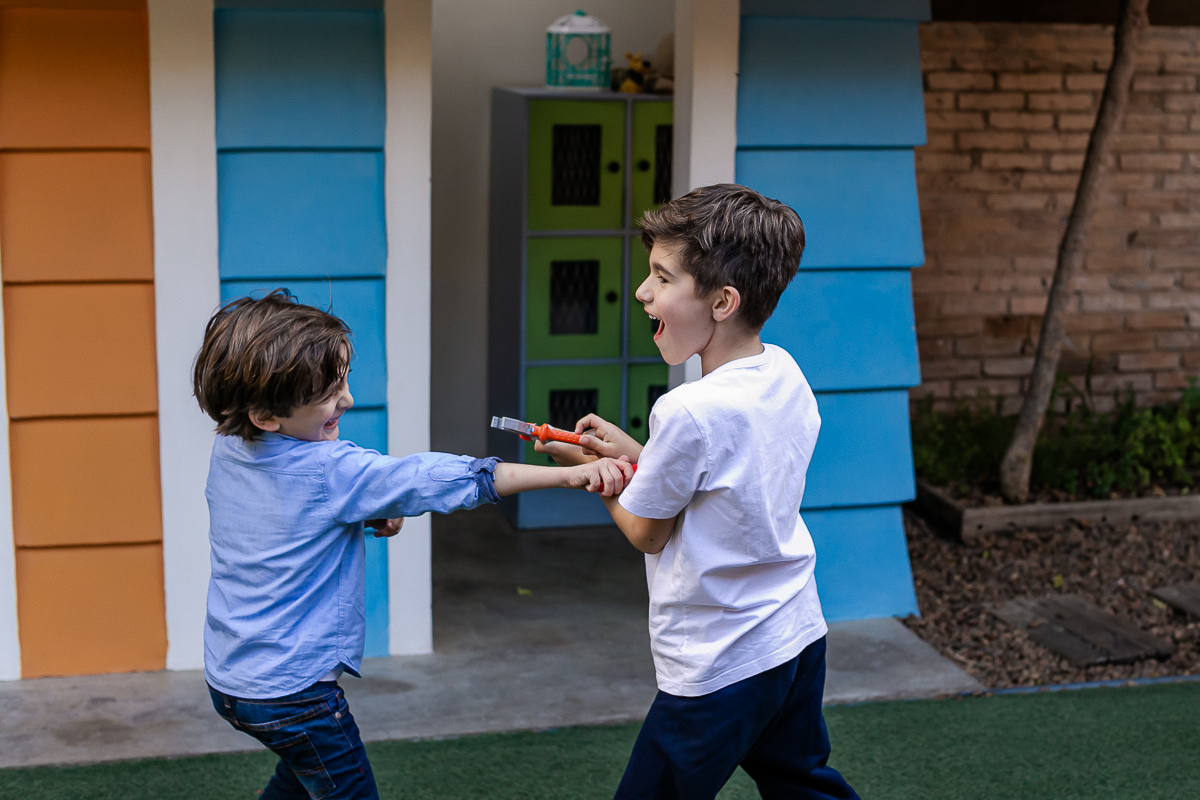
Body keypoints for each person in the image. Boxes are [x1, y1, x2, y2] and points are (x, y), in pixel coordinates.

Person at [193, 290, 633, 800]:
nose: (348, 401)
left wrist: (372, 508)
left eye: (345, 381)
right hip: (294, 696)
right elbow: (427, 479)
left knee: (300, 775)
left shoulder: (230, 450)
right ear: (266, 416)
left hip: (232, 683)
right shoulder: (330, 470)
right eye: (329, 394)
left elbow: (279, 515)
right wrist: (568, 479)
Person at [537, 185, 859, 800]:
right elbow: (727, 474)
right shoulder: (784, 373)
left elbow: (647, 531)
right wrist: (636, 453)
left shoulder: (688, 409)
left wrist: (595, 476)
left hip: (720, 661)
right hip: (793, 632)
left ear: (721, 302)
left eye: (662, 277)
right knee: (803, 784)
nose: (642, 292)